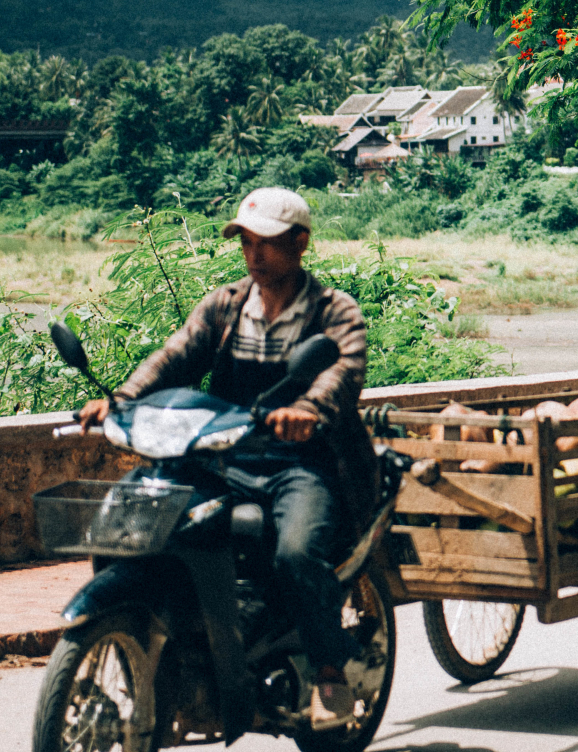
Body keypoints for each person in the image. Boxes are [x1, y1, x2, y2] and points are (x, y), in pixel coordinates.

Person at [78, 187, 374, 730]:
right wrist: (119, 400)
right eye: (246, 242)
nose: (254, 254)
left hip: (300, 464)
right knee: (131, 526)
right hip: (221, 457)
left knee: (296, 555)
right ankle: (160, 649)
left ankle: (330, 669)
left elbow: (343, 372)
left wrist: (307, 408)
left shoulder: (335, 311)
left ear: (300, 243)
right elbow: (173, 358)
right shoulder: (225, 304)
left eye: (266, 243)